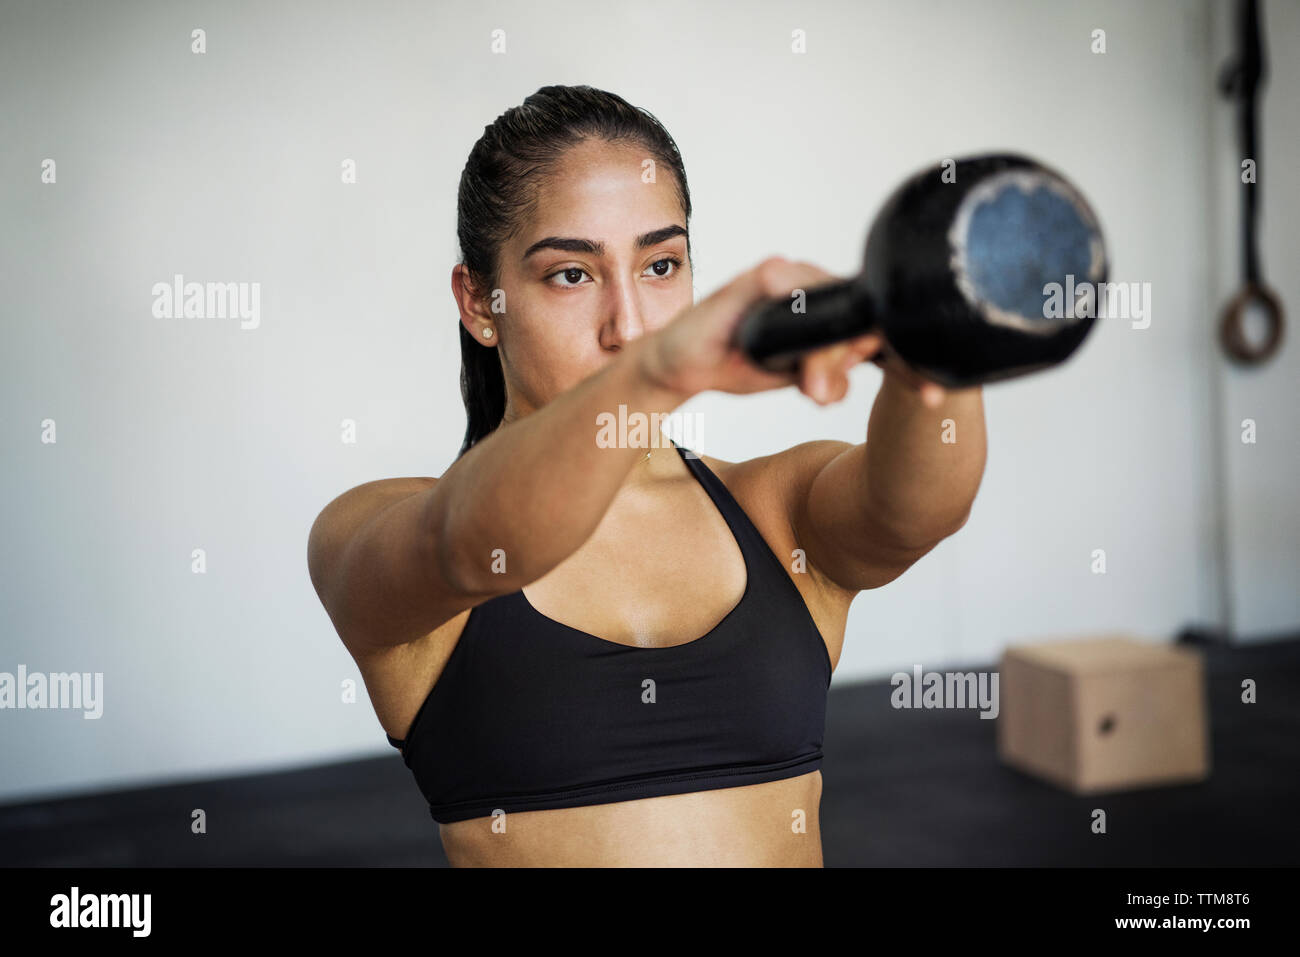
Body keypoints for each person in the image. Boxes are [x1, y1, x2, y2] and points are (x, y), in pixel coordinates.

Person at [307, 84, 987, 866]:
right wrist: (660, 370)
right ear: (479, 303)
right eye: (571, 274)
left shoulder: (774, 512)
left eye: (660, 264)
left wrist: (936, 338)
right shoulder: (374, 528)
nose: (627, 325)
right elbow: (474, 542)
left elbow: (917, 510)